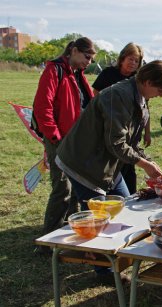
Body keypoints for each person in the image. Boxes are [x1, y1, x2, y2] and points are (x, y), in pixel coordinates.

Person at [56, 60, 162, 210]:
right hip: (84, 163)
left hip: (106, 164)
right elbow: (116, 143)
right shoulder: (119, 96)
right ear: (148, 82)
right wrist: (145, 165)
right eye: (160, 90)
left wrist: (149, 161)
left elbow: (130, 142)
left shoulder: (140, 97)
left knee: (124, 207)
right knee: (99, 217)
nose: (161, 95)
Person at [33, 37, 96, 244]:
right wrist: (54, 138)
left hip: (76, 140)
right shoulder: (54, 70)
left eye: (90, 59)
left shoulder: (78, 74)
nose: (88, 62)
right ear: (74, 51)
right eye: (86, 57)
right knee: (62, 189)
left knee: (77, 186)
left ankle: (71, 230)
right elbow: (43, 108)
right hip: (60, 140)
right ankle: (48, 240)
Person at [92, 42, 147, 194]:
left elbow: (144, 106)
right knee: (114, 156)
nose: (133, 63)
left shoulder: (137, 79)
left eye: (137, 60)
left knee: (129, 163)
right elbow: (96, 94)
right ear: (122, 58)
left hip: (128, 130)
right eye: (131, 59)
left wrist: (146, 131)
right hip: (110, 126)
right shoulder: (109, 74)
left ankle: (130, 194)